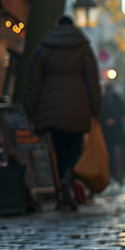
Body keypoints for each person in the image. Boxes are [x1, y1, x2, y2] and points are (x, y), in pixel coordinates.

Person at [24, 15, 101, 209]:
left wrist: (29, 109)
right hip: (78, 107)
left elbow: (34, 82)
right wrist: (96, 108)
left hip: (51, 110)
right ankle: (69, 177)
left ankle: (61, 190)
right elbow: (93, 81)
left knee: (58, 151)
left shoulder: (44, 48)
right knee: (75, 148)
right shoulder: (83, 48)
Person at [101, 83, 125, 187]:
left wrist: (115, 120)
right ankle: (109, 177)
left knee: (117, 157)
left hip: (117, 134)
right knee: (108, 157)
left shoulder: (118, 100)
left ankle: (118, 177)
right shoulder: (103, 100)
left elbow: (124, 115)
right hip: (106, 134)